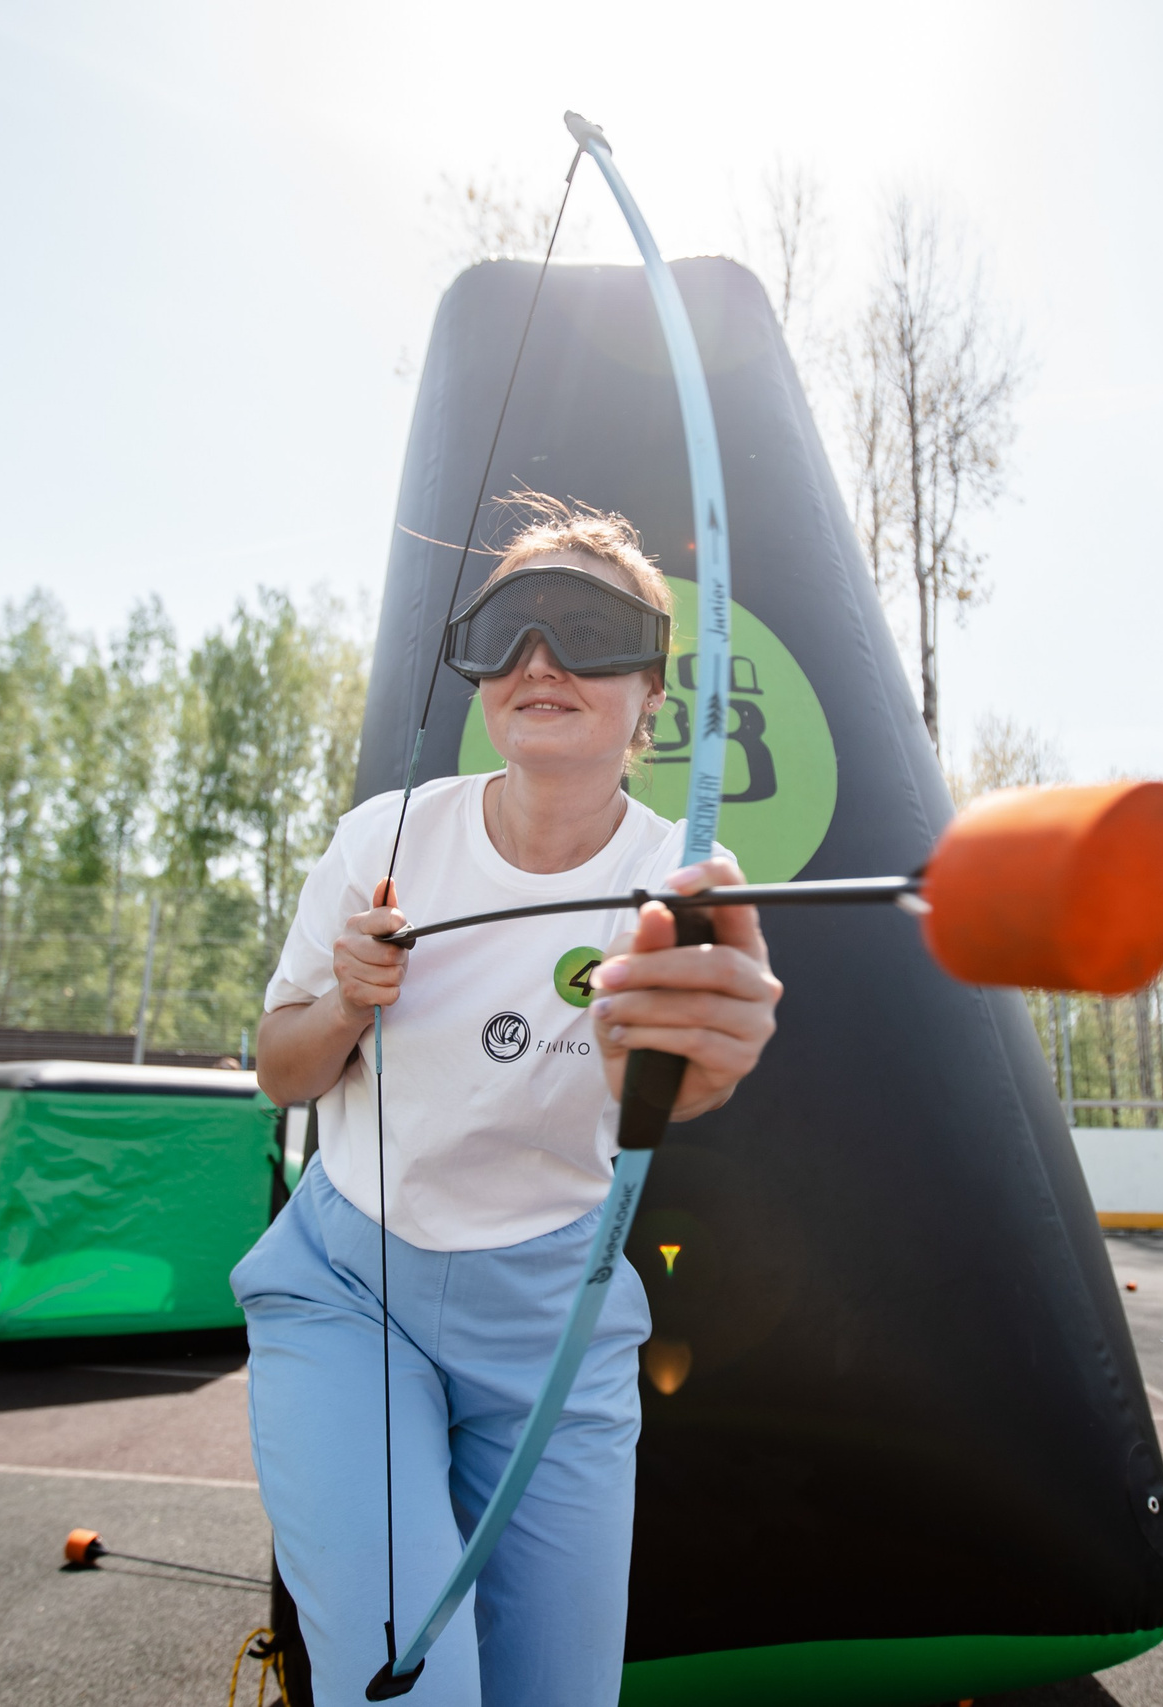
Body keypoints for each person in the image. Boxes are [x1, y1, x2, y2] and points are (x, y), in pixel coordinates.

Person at [235, 500, 784, 1707]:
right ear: (479, 671)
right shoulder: (382, 839)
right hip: (348, 1294)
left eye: (584, 628)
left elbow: (683, 1089)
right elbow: (280, 1068)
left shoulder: (674, 888)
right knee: (408, 1690)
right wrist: (343, 1004)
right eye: (505, 629)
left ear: (652, 693)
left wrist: (706, 1058)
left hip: (555, 1322)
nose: (539, 660)